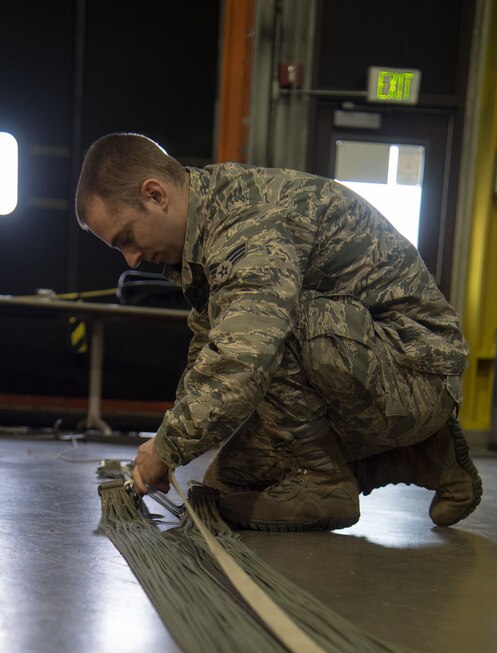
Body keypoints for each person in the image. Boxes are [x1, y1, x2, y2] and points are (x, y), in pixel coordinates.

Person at [75, 132, 482, 532]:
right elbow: (207, 353)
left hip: (417, 372)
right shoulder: (204, 235)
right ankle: (430, 453)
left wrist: (167, 447)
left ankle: (325, 482)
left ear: (155, 194)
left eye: (127, 238)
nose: (131, 259)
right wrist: (170, 442)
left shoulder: (246, 222)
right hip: (378, 368)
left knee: (268, 328)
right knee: (228, 486)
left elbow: (244, 355)